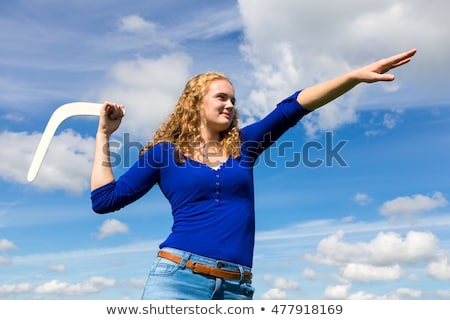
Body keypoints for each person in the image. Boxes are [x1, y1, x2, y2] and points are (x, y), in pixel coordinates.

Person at [90, 48, 416, 300]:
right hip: (177, 279)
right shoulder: (164, 153)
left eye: (233, 99)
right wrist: (104, 135)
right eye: (221, 97)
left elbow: (291, 108)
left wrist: (353, 77)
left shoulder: (244, 146)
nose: (230, 104)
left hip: (237, 288)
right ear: (194, 103)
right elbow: (105, 200)